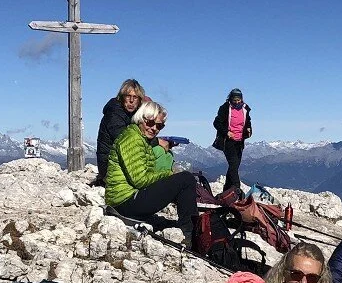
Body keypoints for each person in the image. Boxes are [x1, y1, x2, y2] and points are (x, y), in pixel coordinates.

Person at [105, 101, 198, 245]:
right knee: (186, 179)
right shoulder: (132, 139)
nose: (154, 128)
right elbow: (140, 179)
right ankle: (191, 235)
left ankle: (191, 229)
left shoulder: (140, 138)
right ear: (141, 119)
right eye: (150, 123)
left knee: (183, 180)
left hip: (125, 200)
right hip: (124, 203)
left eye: (159, 126)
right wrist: (168, 175)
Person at [95, 79, 146, 187]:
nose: (131, 100)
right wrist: (156, 141)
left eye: (135, 97)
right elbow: (125, 140)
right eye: (128, 96)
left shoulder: (129, 114)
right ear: (122, 97)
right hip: (110, 168)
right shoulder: (115, 112)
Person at [212, 89, 252, 194]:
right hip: (228, 141)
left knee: (234, 166)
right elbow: (216, 123)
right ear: (231, 99)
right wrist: (226, 132)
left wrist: (248, 128)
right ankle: (237, 188)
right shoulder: (225, 108)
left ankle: (226, 190)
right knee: (233, 164)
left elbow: (247, 121)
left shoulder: (245, 108)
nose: (237, 102)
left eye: (239, 100)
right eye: (235, 100)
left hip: (239, 141)